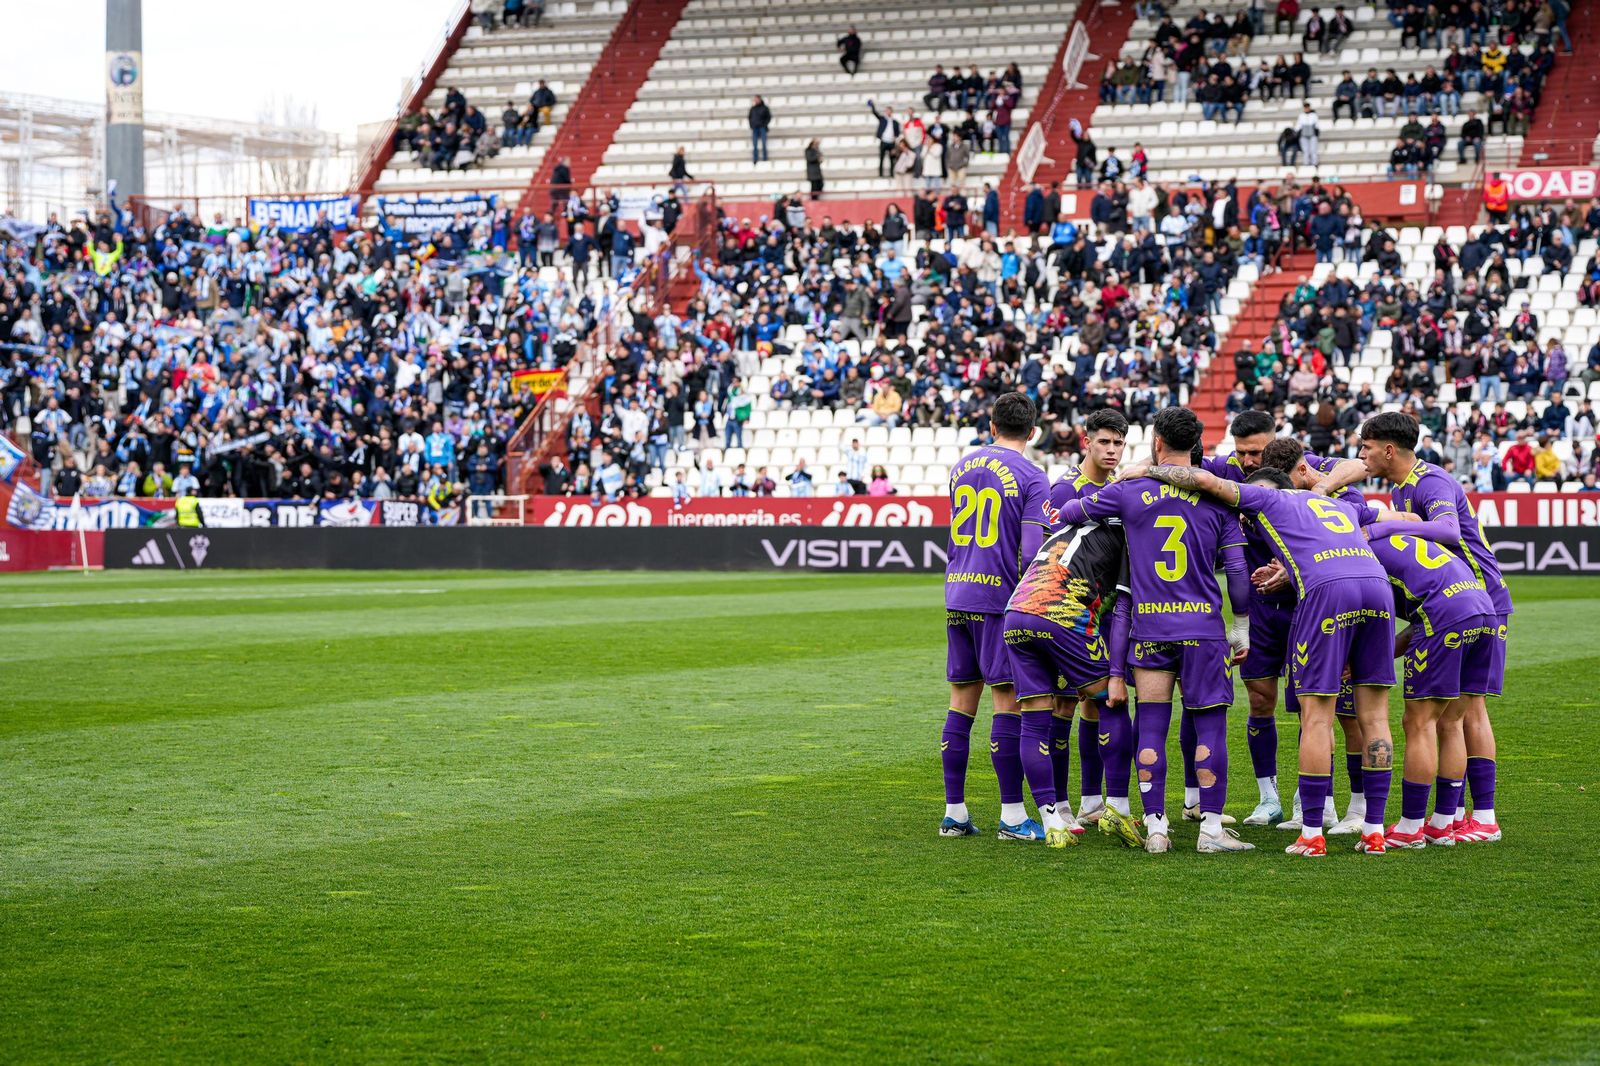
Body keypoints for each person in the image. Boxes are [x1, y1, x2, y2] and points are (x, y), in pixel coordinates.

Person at [1128, 462, 1417, 857]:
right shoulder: (1341, 504)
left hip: (1329, 592)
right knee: (1376, 718)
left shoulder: (1268, 498)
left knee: (1316, 716)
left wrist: (1150, 468)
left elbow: (1205, 481)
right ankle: (1373, 831)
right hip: (1377, 587)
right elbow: (1407, 517)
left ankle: (1312, 832)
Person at [1051, 408, 1254, 855]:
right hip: (1203, 630)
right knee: (1210, 730)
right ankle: (1210, 831)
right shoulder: (1216, 495)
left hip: (1148, 628)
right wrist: (1240, 626)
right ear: (1195, 443)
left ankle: (1157, 828)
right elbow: (1238, 571)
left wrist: (1129, 476)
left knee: (1152, 727)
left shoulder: (1129, 492)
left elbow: (1065, 511)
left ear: (1156, 443)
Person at [1345, 411, 1512, 843]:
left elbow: (1450, 531)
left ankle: (1483, 816)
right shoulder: (1404, 490)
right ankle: (1450, 815)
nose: (1361, 454)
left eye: (1366, 445)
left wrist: (1379, 526)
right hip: (1466, 600)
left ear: (1388, 448)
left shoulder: (1429, 480)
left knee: (1463, 712)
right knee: (1450, 717)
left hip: (1480, 595)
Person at [1002, 447, 1132, 848]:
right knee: (1111, 701)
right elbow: (1123, 603)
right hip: (1059, 614)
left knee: (1036, 717)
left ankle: (1052, 822)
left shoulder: (1069, 522)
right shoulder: (1127, 534)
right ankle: (1118, 808)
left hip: (1015, 613)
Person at [939, 393, 1053, 840]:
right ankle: (1010, 818)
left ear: (991, 426)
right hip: (998, 600)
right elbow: (1029, 548)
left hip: (957, 592)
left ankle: (955, 812)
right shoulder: (1032, 475)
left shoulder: (962, 466)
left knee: (961, 701)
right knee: (1006, 701)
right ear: (1032, 431)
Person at [1369, 532, 1497, 849]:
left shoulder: (1359, 550)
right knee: (1452, 722)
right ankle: (1442, 823)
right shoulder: (1402, 539)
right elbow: (1417, 620)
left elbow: (1421, 618)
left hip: (1446, 615)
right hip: (1483, 609)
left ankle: (1410, 827)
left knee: (1418, 722)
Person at [1044, 409, 1128, 828]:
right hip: (1069, 615)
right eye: (1104, 442)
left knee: (1098, 704)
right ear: (1086, 442)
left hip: (1109, 614)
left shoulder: (1119, 488)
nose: (1111, 450)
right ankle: (1058, 804)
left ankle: (1092, 800)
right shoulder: (1066, 490)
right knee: (1063, 704)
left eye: (1118, 443)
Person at [748, 96, 771, 163]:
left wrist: (764, 124)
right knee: (755, 144)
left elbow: (769, 117)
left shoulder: (765, 108)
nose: (756, 101)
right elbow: (749, 117)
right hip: (755, 128)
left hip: (762, 127)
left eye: (757, 99)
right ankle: (755, 159)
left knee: (764, 143)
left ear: (760, 99)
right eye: (755, 99)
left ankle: (765, 158)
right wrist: (751, 125)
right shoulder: (753, 108)